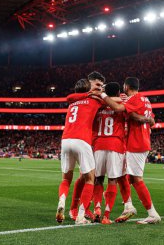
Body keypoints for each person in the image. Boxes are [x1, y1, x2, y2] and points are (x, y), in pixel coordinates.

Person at [92, 77, 161, 224]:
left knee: (135, 179)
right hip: (139, 142)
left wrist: (102, 95)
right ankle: (128, 206)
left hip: (135, 143)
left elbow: (118, 109)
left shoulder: (134, 98)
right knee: (125, 177)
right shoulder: (145, 99)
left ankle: (151, 213)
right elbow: (152, 121)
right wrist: (141, 118)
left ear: (126, 86)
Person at [56, 78, 103, 225]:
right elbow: (112, 101)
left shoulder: (72, 103)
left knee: (66, 179)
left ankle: (62, 201)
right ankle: (81, 216)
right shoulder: (94, 101)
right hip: (82, 140)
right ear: (89, 88)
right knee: (90, 178)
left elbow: (70, 97)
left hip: (65, 140)